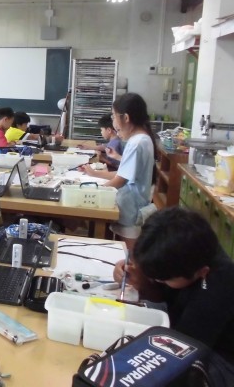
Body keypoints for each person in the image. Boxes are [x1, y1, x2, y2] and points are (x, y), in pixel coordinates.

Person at [113, 207, 234, 380]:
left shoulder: (217, 290)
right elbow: (167, 293)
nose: (157, 280)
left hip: (219, 357)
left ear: (202, 272)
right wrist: (135, 273)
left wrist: (145, 287)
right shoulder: (183, 249)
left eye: (162, 279)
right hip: (186, 328)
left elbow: (180, 352)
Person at [82, 93, 156, 241]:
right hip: (132, 205)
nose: (113, 122)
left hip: (130, 209)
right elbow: (125, 173)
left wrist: (94, 191)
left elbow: (120, 180)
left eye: (114, 116)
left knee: (127, 249)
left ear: (126, 118)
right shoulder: (143, 139)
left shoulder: (136, 143)